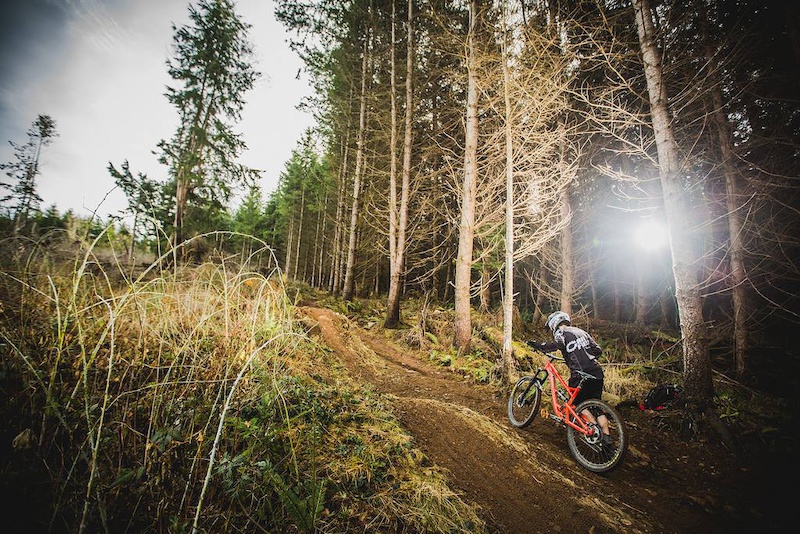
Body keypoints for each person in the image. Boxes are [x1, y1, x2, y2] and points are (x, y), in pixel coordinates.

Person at [528, 311, 610, 440]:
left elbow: (558, 344)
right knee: (596, 406)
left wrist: (540, 346)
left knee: (577, 404)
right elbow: (597, 350)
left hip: (580, 373)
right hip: (596, 371)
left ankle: (592, 429)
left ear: (554, 324)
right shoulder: (581, 332)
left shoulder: (561, 332)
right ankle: (606, 436)